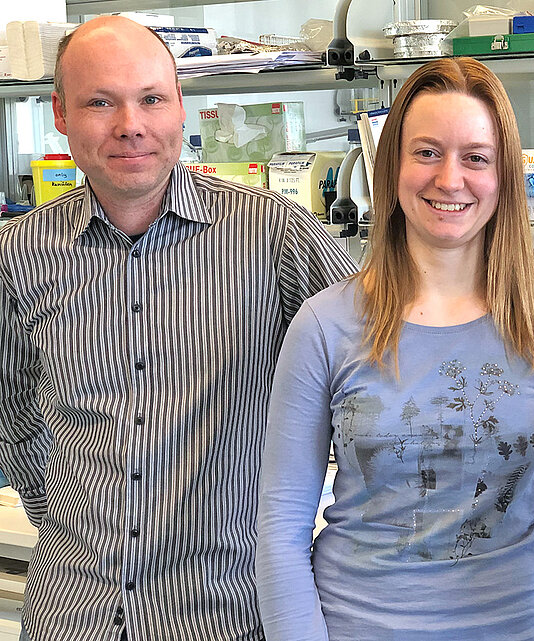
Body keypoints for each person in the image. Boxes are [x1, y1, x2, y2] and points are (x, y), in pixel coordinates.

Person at [0, 16, 357, 641]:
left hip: (231, 612)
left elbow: (372, 378)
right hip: (72, 614)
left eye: (151, 99)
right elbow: (15, 417)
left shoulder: (274, 234)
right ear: (60, 114)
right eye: (99, 102)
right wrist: (66, 522)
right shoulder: (19, 251)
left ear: (181, 108)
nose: (130, 124)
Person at [255, 57, 534, 641]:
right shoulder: (325, 324)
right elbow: (280, 529)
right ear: (390, 168)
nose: (450, 179)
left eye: (476, 158)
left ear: (505, 176)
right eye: (426, 152)